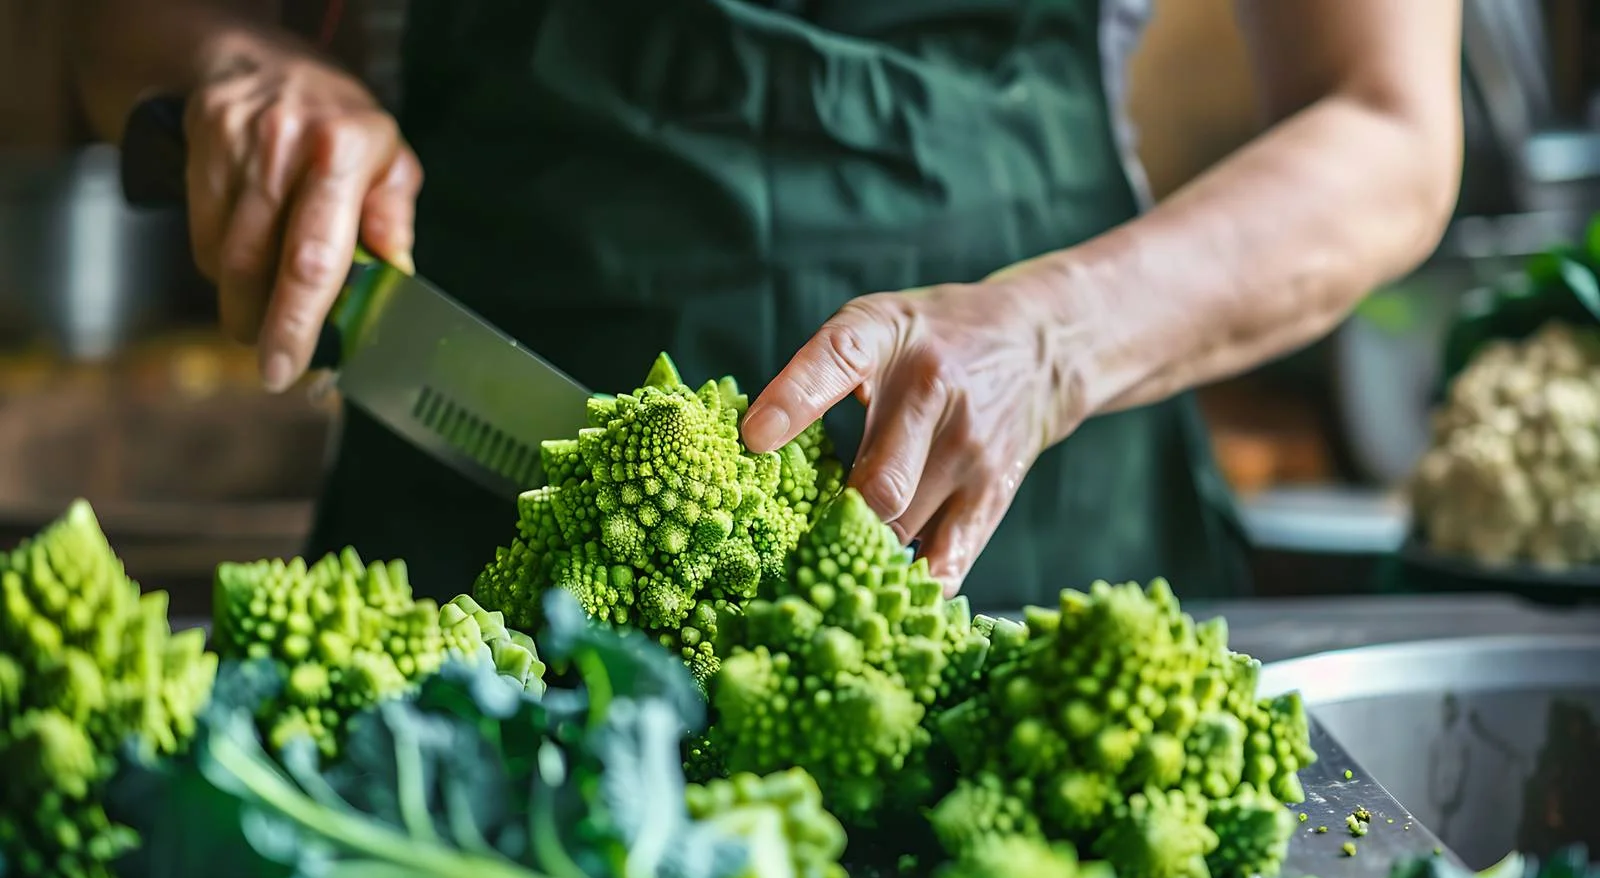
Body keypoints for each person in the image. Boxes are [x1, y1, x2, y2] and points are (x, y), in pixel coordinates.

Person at [69, 0, 1463, 608]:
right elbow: (94, 26)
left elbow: (1389, 127)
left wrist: (1055, 337)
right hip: (458, 567)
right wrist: (233, 61)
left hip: (1036, 537)